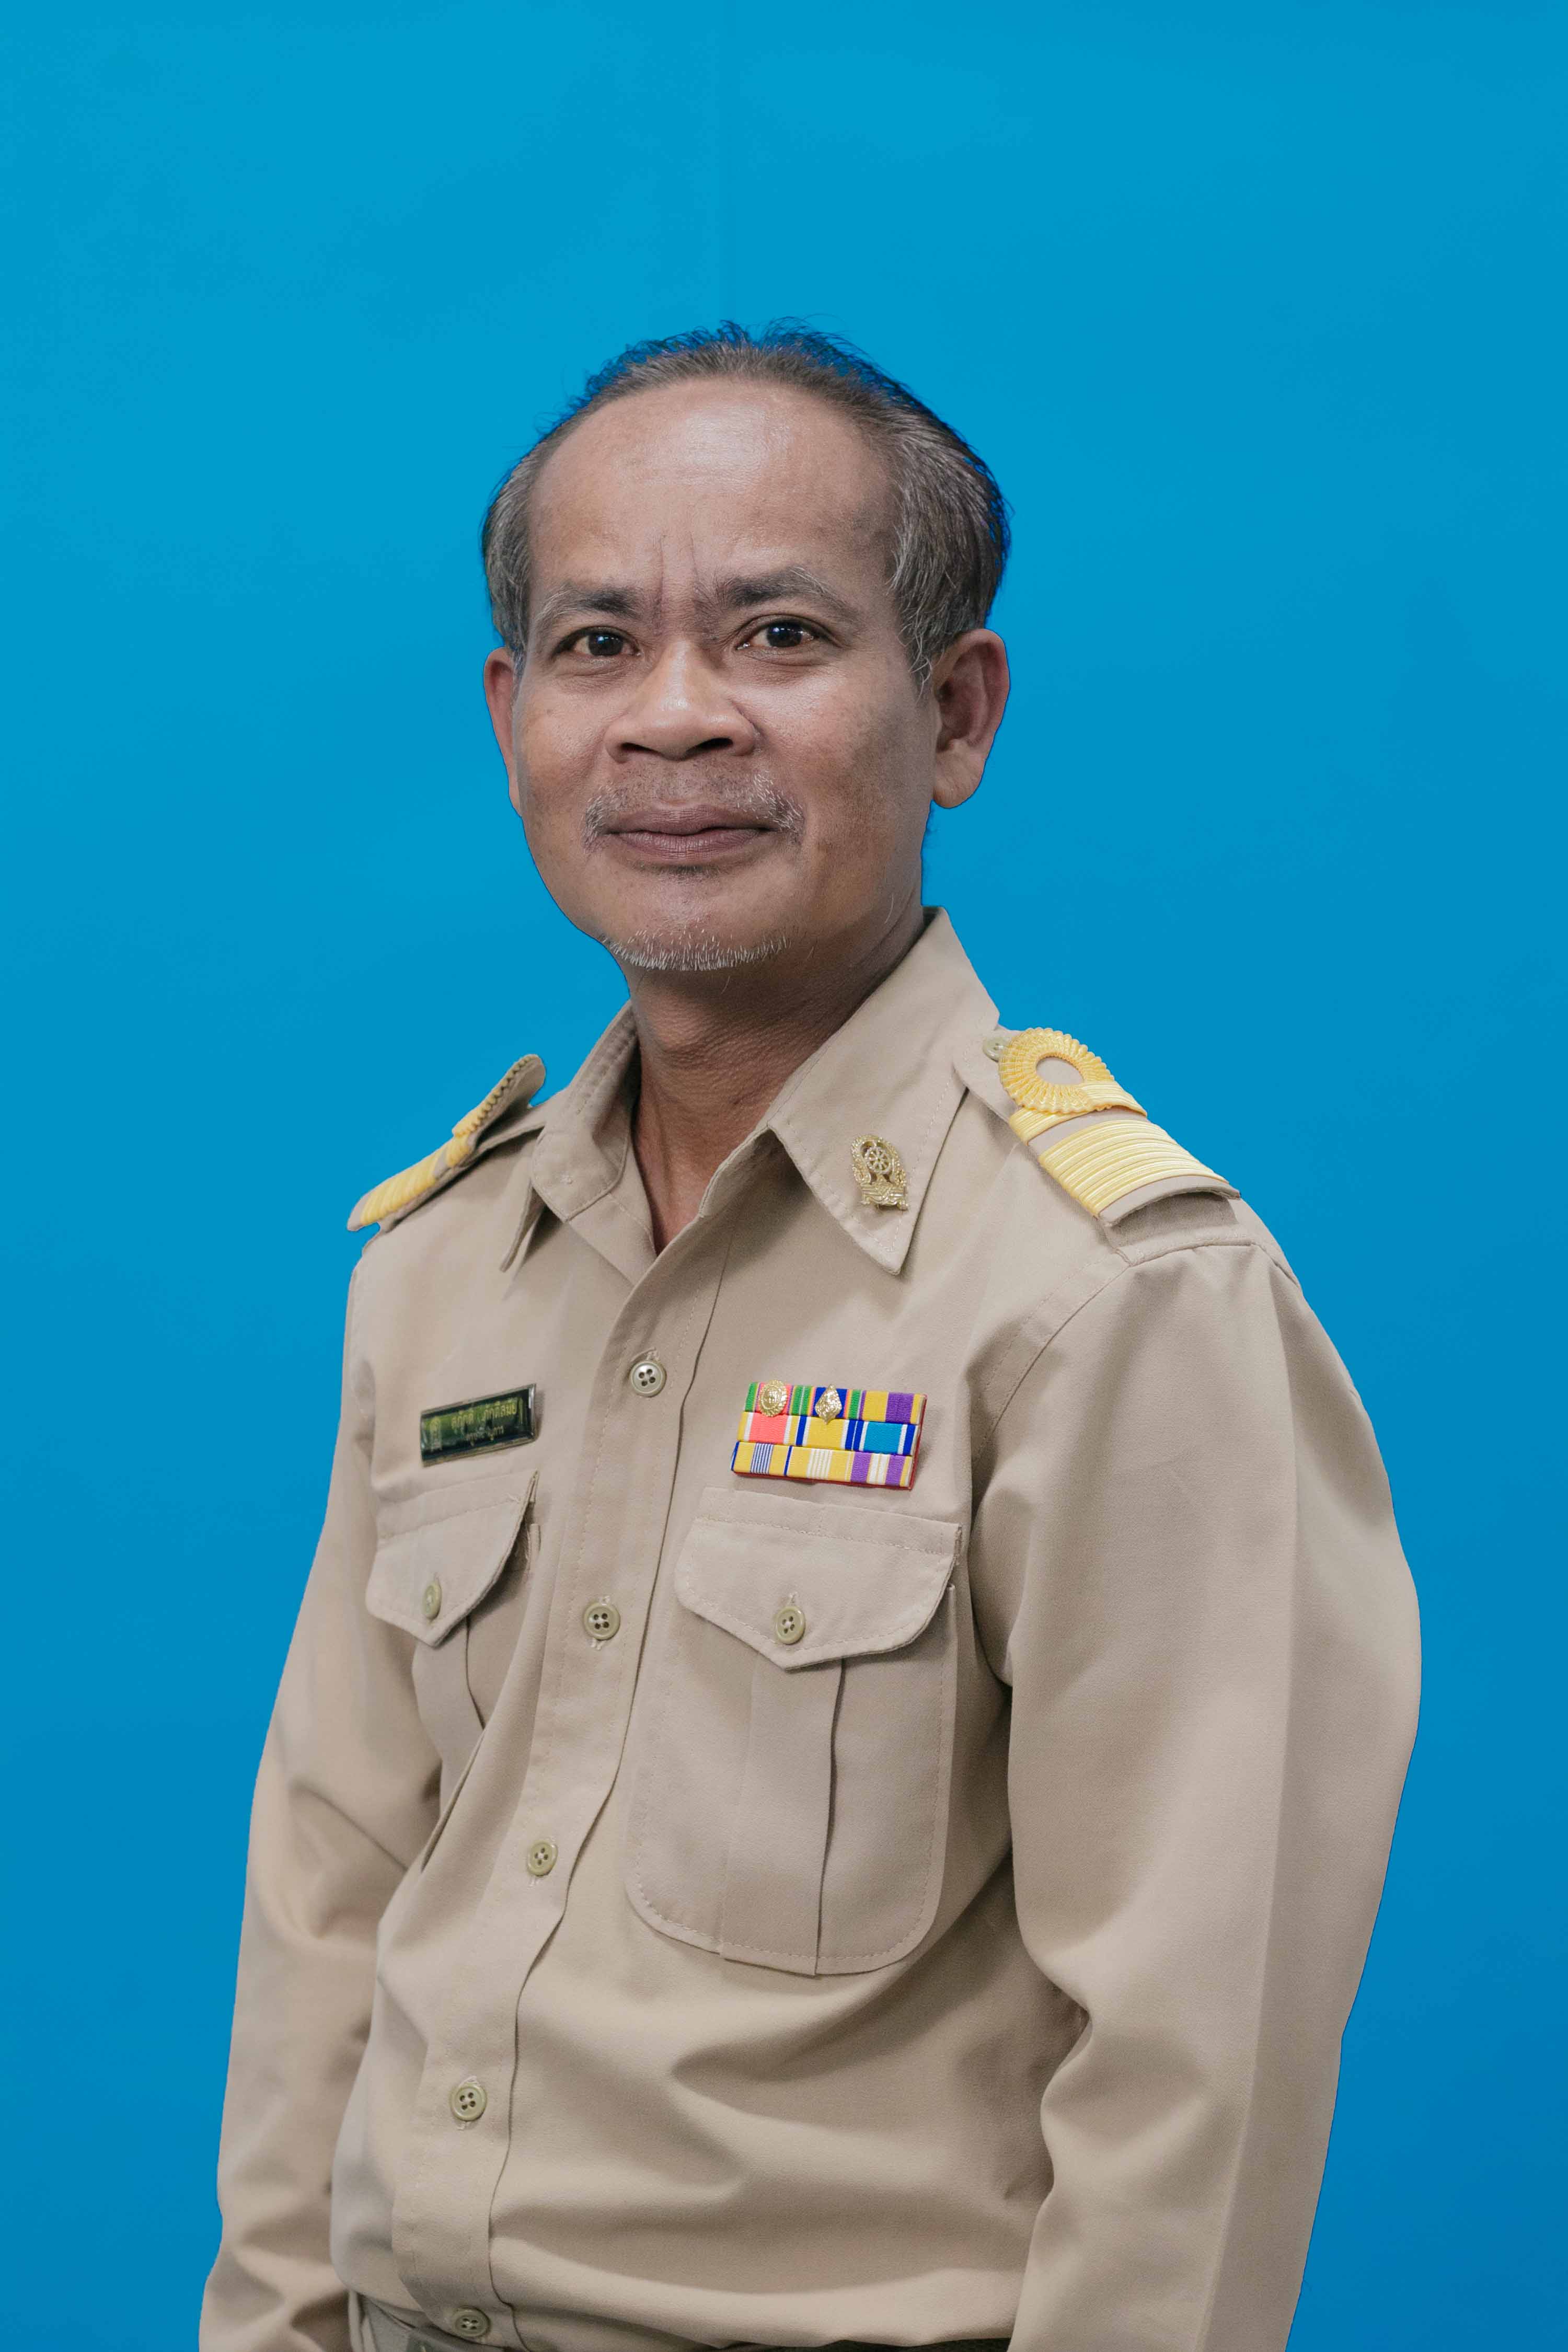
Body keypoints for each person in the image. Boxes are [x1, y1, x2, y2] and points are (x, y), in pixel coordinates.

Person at [201, 324, 1420, 2352]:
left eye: (777, 634)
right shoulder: (439, 1272)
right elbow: (325, 1921)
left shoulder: (1116, 1298)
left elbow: (1192, 2097)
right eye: (598, 645)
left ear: (955, 712)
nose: (675, 717)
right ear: (513, 716)